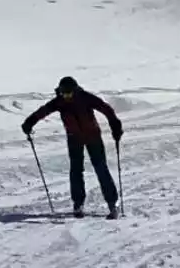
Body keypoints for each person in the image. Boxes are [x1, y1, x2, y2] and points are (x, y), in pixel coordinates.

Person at [22, 76, 123, 219]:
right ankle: (78, 204)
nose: (67, 97)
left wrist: (115, 125)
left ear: (75, 91)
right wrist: (29, 122)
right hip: (74, 138)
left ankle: (113, 203)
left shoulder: (85, 97)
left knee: (101, 168)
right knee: (76, 170)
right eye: (64, 94)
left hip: (93, 137)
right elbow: (42, 111)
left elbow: (106, 109)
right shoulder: (59, 102)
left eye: (69, 93)